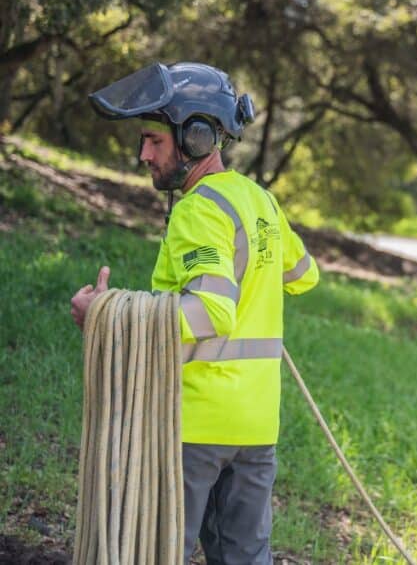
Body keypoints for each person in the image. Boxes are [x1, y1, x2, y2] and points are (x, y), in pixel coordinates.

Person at [70, 61, 320, 564]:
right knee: (243, 557)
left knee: (157, 551)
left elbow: (211, 311)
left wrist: (106, 313)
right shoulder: (260, 202)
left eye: (154, 141)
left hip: (194, 427)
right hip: (254, 427)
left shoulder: (199, 208)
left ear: (199, 138)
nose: (143, 154)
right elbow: (304, 275)